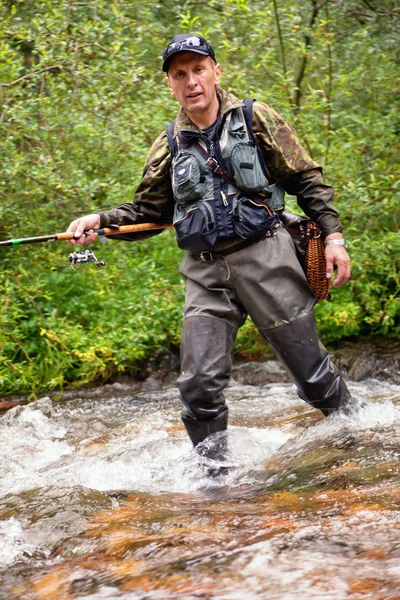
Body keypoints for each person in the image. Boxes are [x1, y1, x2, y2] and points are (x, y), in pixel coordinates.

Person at [67, 33, 353, 455]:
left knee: (313, 377)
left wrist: (333, 236)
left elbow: (306, 179)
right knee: (198, 384)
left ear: (216, 71)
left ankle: (358, 438)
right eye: (179, 74)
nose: (191, 81)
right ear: (170, 84)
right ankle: (215, 480)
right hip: (204, 272)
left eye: (198, 69)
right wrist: (101, 222)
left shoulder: (257, 118)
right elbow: (150, 213)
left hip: (267, 257)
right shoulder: (168, 145)